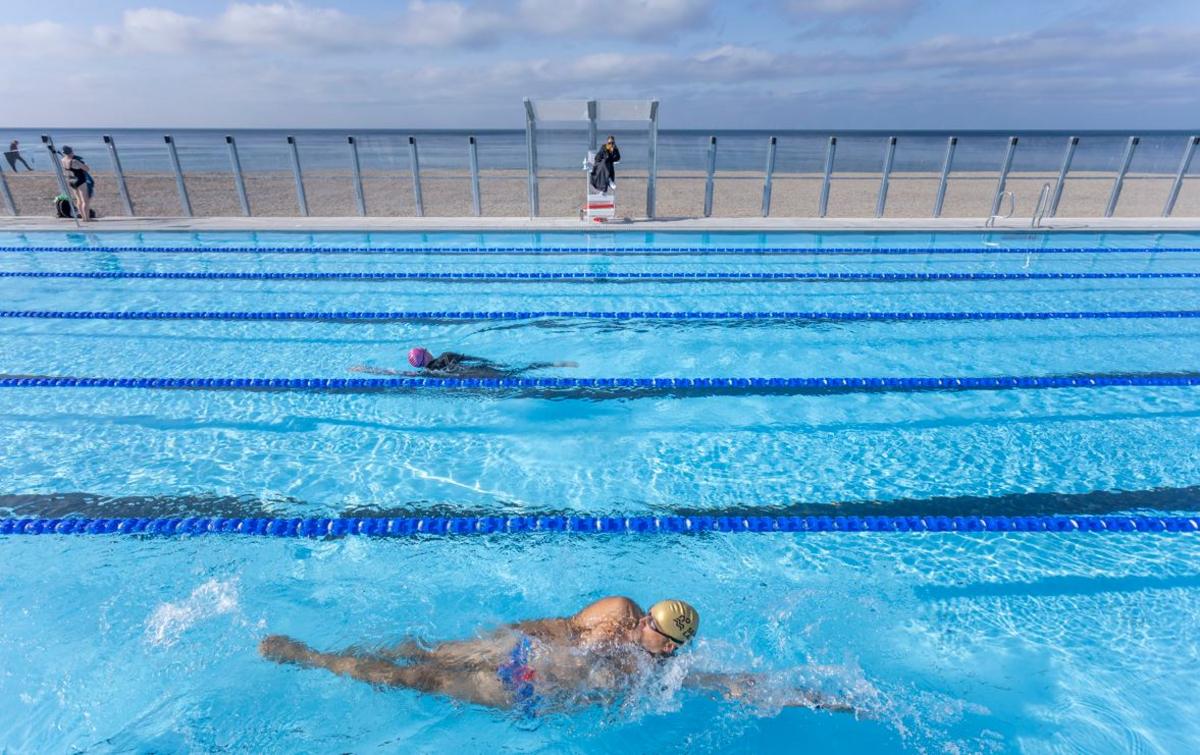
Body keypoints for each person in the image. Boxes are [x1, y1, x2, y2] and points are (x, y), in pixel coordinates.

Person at [259, 596, 860, 717]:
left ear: (669, 645)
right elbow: (556, 624)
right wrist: (500, 635)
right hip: (518, 650)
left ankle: (311, 659)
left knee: (413, 679)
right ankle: (335, 654)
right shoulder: (618, 612)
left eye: (657, 631)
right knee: (422, 652)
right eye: (648, 618)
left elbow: (729, 684)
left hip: (525, 690)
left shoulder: (662, 671)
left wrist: (817, 699)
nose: (645, 627)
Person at [349, 347, 578, 378]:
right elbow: (477, 359)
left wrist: (367, 369)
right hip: (478, 370)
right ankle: (558, 364)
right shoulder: (447, 355)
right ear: (426, 354)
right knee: (517, 370)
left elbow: (396, 373)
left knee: (514, 376)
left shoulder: (426, 375)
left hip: (467, 376)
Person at [59, 146, 92, 221]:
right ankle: (87, 218)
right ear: (71, 151)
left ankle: (83, 217)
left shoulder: (63, 160)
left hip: (71, 180)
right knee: (85, 200)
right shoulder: (74, 161)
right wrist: (84, 163)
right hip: (80, 180)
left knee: (78, 200)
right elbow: (87, 169)